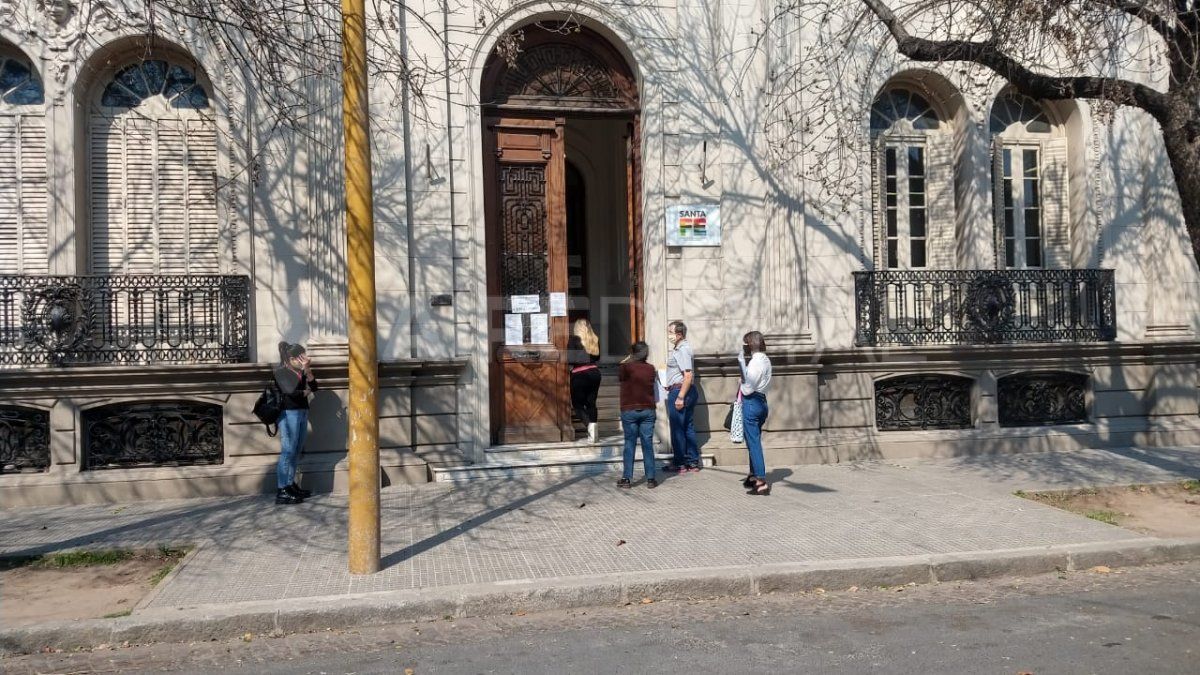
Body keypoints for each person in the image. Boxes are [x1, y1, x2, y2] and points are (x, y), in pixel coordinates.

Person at [273, 342, 318, 505]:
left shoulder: (301, 371)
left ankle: (290, 485)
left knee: (296, 449)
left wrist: (307, 370)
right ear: (292, 358)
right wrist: (305, 392)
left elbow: (314, 386)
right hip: (288, 413)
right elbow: (291, 392)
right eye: (301, 357)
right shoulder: (280, 372)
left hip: (302, 411)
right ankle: (282, 490)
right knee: (288, 450)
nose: (304, 359)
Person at [617, 341, 658, 489]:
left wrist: (628, 358)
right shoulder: (651, 369)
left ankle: (627, 478)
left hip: (629, 409)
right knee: (648, 444)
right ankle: (651, 479)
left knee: (630, 443)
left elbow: (620, 375)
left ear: (633, 353)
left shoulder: (625, 368)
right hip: (648, 409)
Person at [738, 331, 773, 496]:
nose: (744, 347)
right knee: (754, 441)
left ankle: (760, 481)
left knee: (753, 443)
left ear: (751, 344)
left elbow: (748, 388)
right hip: (762, 401)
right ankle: (753, 476)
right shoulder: (766, 360)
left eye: (746, 344)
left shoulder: (755, 362)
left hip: (752, 402)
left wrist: (741, 381)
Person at [663, 321, 701, 473]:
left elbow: (688, 375)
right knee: (687, 426)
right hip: (680, 389)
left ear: (679, 334)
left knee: (678, 428)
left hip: (681, 392)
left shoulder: (682, 350)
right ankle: (692, 461)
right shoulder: (680, 349)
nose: (669, 335)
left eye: (670, 332)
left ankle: (680, 463)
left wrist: (680, 397)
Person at [567, 318, 603, 443]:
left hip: (579, 374)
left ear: (577, 328)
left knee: (577, 405)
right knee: (591, 404)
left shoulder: (573, 340)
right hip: (594, 373)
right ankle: (593, 432)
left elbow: (570, 359)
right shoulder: (595, 339)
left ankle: (590, 427)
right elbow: (597, 357)